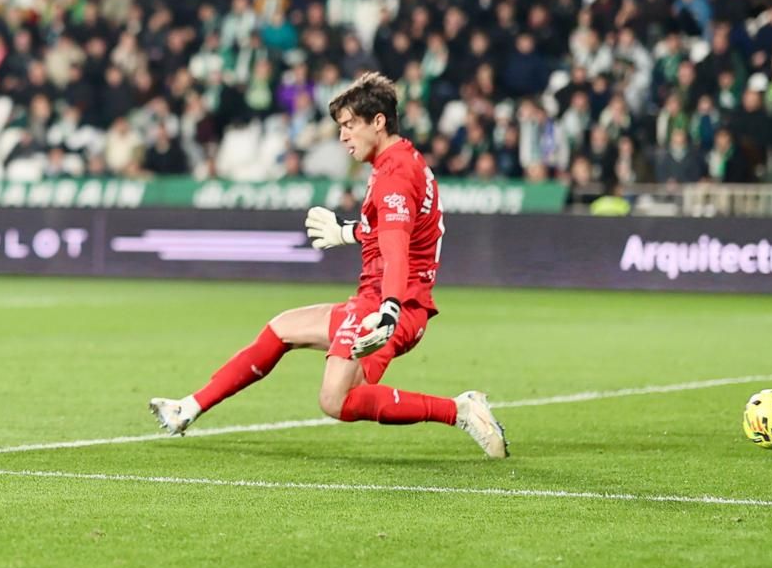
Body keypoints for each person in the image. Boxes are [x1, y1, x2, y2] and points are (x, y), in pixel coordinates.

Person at [147, 72, 508, 458]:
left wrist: (388, 309)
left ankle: (459, 410)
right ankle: (189, 407)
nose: (343, 136)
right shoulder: (401, 161)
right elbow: (391, 228)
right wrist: (349, 231)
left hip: (389, 303)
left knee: (335, 400)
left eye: (350, 125)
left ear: (378, 121)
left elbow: (397, 245)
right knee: (281, 328)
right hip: (384, 299)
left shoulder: (394, 175)